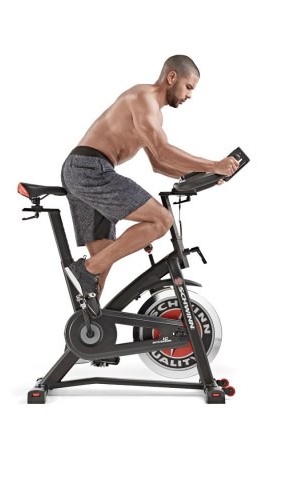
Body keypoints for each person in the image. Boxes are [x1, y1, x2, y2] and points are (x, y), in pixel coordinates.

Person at [61, 54, 239, 313]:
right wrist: (213, 164)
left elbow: (159, 164)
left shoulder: (151, 113)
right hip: (90, 169)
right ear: (171, 77)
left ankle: (88, 330)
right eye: (189, 87)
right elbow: (163, 151)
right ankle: (84, 269)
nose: (190, 95)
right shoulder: (143, 99)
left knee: (101, 263)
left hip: (84, 169)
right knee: (161, 220)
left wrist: (204, 177)